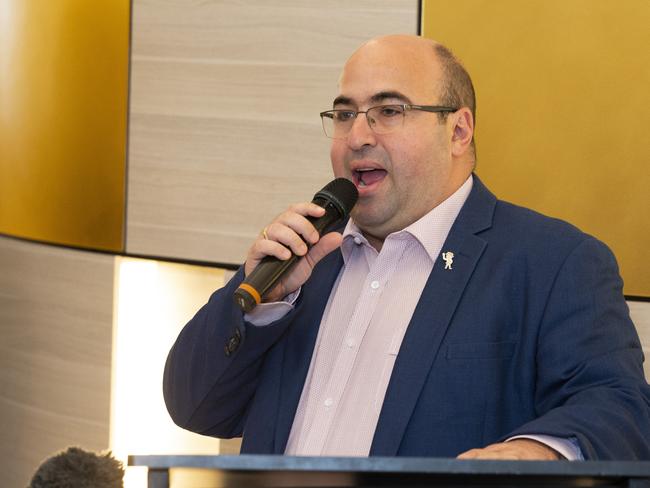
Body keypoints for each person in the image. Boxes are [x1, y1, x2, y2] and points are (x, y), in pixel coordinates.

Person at [163, 35, 650, 460]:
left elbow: (619, 407)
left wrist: (537, 450)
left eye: (388, 112)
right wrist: (259, 305)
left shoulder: (553, 263)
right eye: (344, 113)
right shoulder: (304, 256)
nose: (356, 136)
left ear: (458, 131)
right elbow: (195, 406)